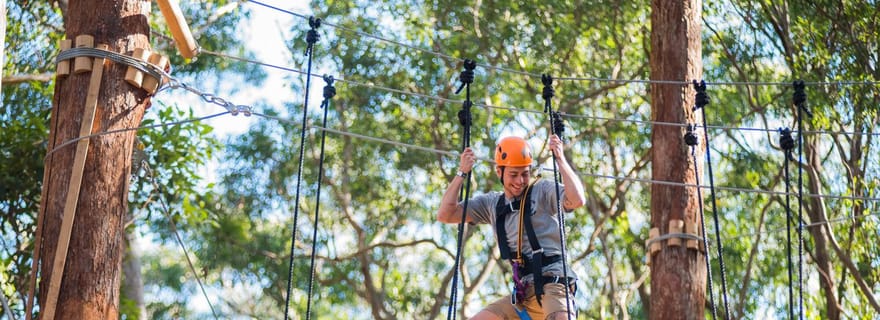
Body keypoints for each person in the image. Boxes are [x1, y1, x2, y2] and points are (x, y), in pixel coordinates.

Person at [438, 135, 586, 320]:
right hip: (523, 295)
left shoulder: (543, 190)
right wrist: (462, 172)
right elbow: (445, 214)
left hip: (553, 285)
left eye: (525, 174)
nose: (520, 181)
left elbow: (577, 200)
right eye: (513, 175)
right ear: (499, 172)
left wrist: (561, 160)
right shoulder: (491, 204)